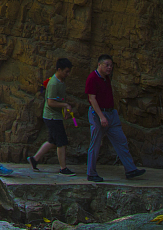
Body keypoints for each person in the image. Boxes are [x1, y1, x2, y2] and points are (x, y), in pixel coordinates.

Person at [84, 54, 145, 182]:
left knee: (121, 141)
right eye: (107, 65)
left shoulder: (106, 78)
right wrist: (101, 117)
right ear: (99, 64)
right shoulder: (92, 78)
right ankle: (91, 173)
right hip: (98, 114)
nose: (109, 68)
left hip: (111, 113)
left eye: (111, 65)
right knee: (95, 144)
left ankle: (130, 169)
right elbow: (92, 99)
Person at [27, 58, 76, 175]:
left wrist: (64, 110)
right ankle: (63, 168)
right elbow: (51, 102)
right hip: (52, 117)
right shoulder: (54, 83)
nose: (68, 74)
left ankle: (34, 159)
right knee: (61, 142)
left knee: (52, 140)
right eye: (66, 71)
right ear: (59, 69)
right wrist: (65, 105)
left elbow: (59, 99)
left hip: (56, 116)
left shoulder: (61, 81)